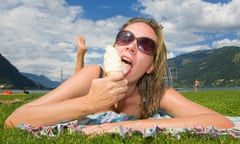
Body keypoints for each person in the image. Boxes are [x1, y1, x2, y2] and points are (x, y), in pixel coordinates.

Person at [4, 17, 233, 135]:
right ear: (114, 47)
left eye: (144, 45)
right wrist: (89, 103)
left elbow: (221, 122)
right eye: (125, 38)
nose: (132, 46)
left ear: (150, 67)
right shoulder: (93, 74)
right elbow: (14, 120)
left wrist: (130, 126)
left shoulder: (155, 93)